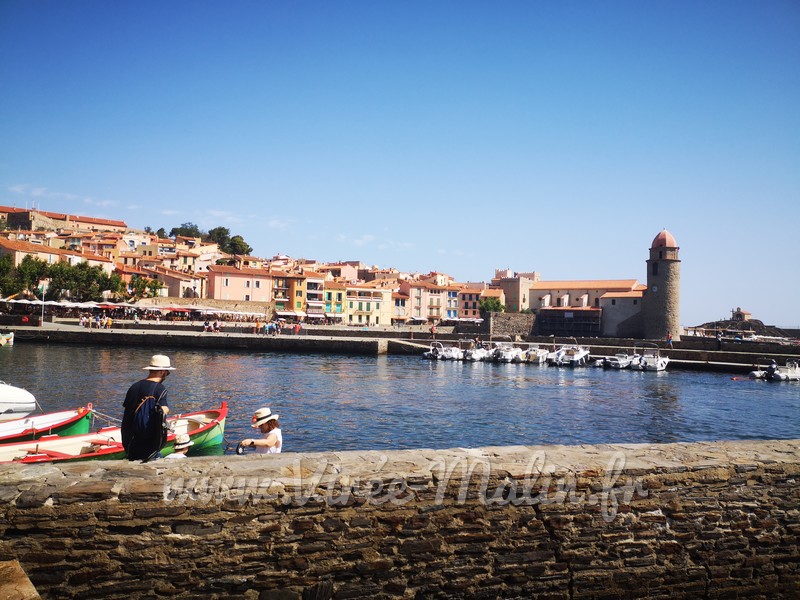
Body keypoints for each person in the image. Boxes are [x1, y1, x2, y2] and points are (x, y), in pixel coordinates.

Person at [121, 354, 174, 461]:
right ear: (161, 371)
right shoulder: (159, 389)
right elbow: (163, 410)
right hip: (148, 443)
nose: (167, 375)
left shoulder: (134, 386)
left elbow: (128, 412)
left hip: (129, 441)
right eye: (167, 372)